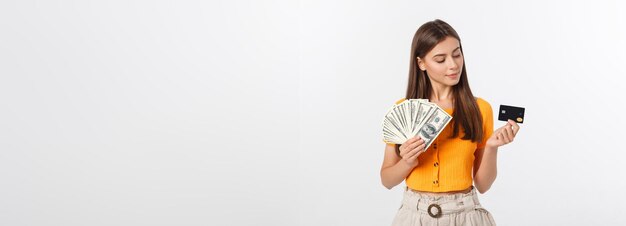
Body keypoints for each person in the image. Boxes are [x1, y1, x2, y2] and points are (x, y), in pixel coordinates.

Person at [380, 19, 521, 226]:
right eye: (440, 59)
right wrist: (408, 161)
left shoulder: (480, 109)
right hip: (414, 216)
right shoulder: (403, 109)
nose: (453, 65)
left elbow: (483, 185)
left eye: (457, 54)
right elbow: (387, 180)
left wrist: (492, 147)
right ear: (421, 63)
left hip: (466, 215)